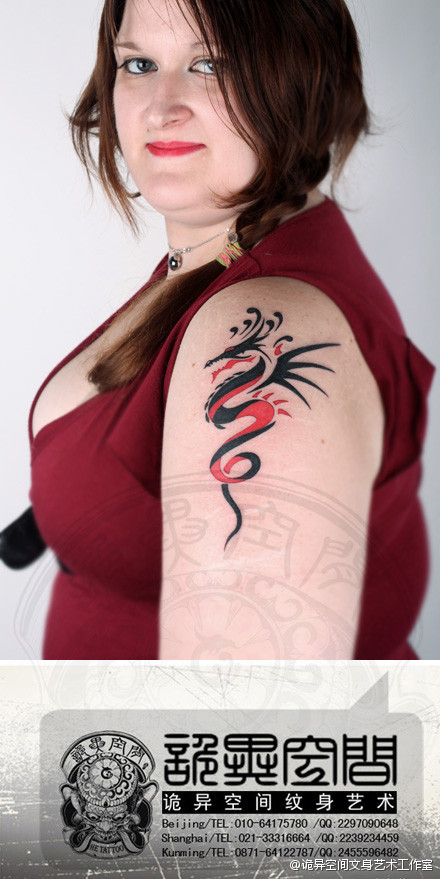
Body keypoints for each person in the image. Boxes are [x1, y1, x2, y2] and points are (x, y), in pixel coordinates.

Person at [4, 0, 432, 659]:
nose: (160, 107)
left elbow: (245, 716)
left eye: (211, 64)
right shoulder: (220, 256)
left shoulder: (263, 323)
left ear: (303, 77)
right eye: (138, 64)